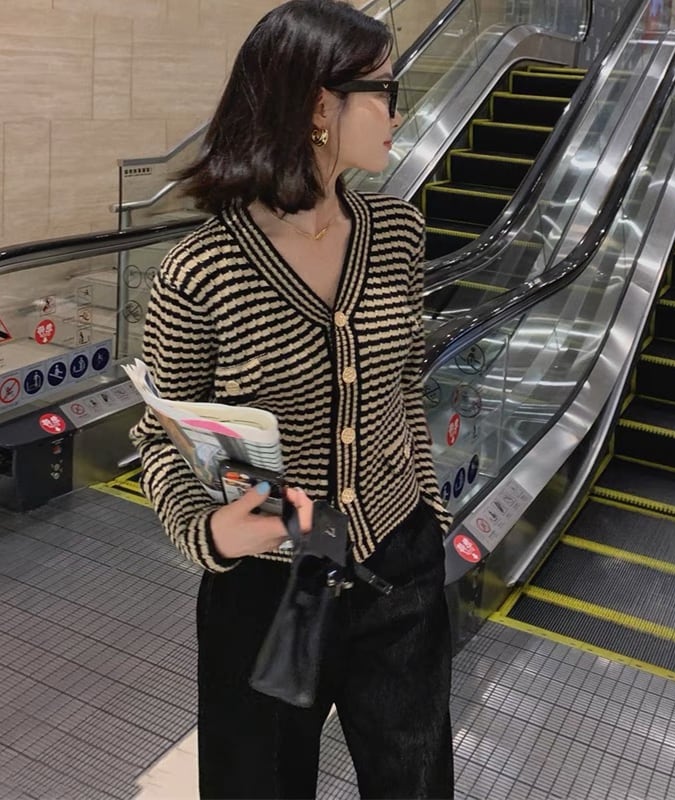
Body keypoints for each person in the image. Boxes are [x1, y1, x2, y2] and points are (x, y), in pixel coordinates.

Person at [129, 1, 455, 797]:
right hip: (279, 586)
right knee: (263, 780)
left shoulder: (398, 232)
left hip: (400, 568)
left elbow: (404, 385)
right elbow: (159, 433)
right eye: (384, 90)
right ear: (318, 105)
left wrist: (428, 509)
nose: (398, 113)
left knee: (414, 778)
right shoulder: (203, 270)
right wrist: (209, 531)